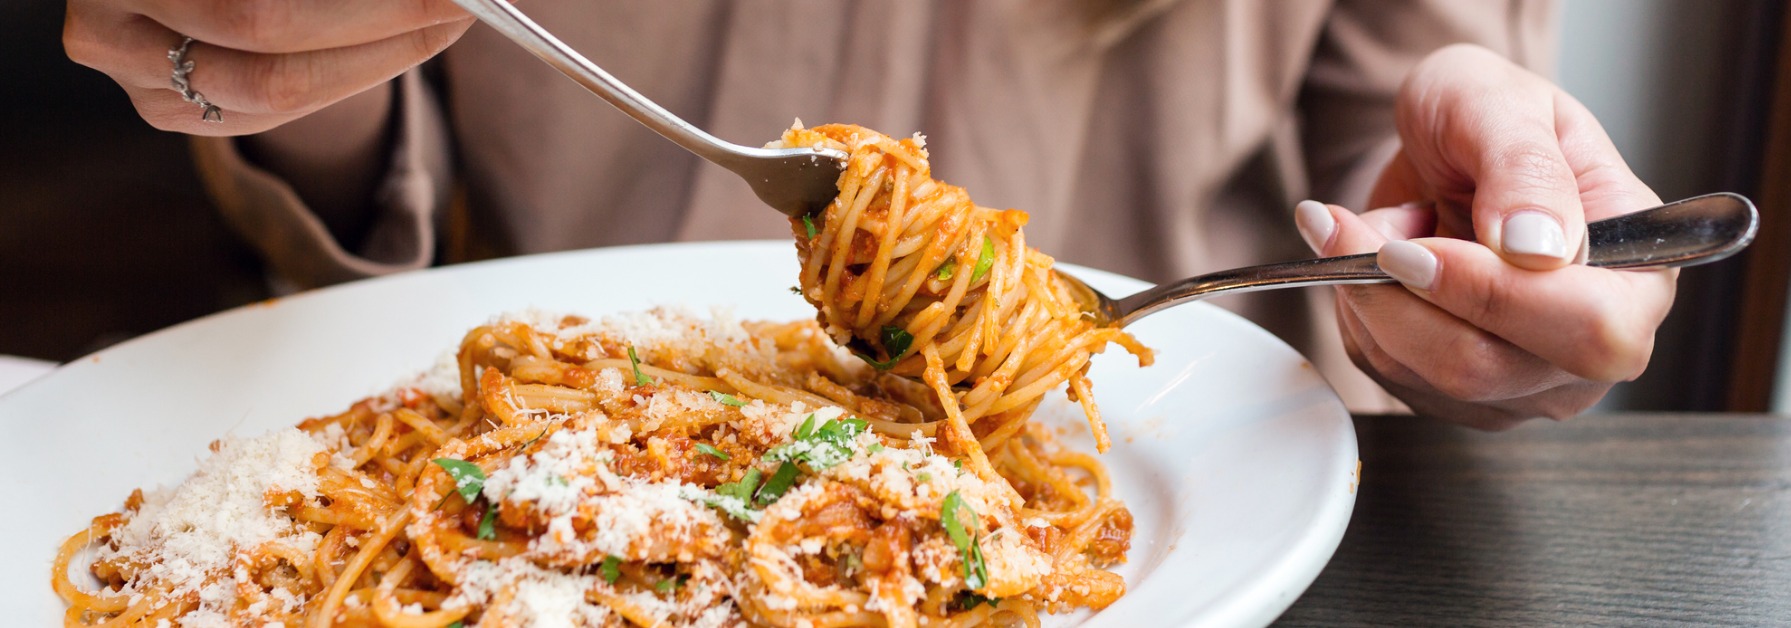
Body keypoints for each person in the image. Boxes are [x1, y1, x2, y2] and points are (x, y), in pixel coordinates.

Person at [63, 0, 1674, 430]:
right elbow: (365, 169)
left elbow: (1411, 129)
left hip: (1173, 490)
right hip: (573, 432)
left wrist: (1474, 265)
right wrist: (269, 53)